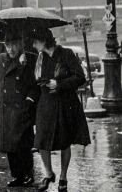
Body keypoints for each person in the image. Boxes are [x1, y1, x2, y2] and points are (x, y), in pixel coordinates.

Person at [31, 27, 91, 192]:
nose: (34, 45)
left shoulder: (66, 54)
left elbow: (80, 77)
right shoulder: (40, 58)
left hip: (66, 104)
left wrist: (59, 84)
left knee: (65, 141)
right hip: (46, 104)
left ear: (44, 41)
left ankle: (63, 177)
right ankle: (49, 174)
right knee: (42, 140)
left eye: (36, 42)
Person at [0, 30, 38, 188]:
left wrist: (29, 101)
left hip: (21, 109)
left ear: (20, 45)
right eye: (8, 46)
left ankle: (28, 175)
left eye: (14, 45)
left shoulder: (28, 60)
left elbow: (34, 85)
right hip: (4, 109)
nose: (10, 49)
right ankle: (17, 176)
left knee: (23, 146)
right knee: (9, 146)